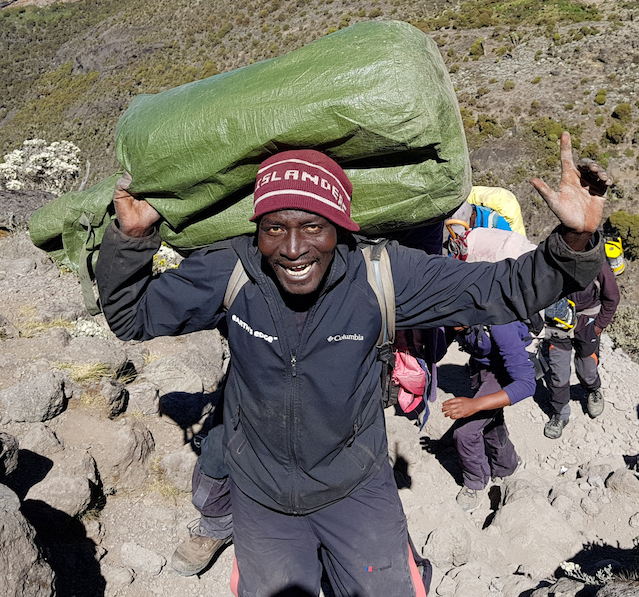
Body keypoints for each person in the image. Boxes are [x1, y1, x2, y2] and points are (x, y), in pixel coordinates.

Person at [95, 132, 609, 597]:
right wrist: (133, 237)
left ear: (340, 227)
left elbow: (502, 289)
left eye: (312, 227)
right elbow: (130, 315)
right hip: (262, 498)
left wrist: (574, 241)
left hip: (356, 489)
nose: (293, 249)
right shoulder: (233, 273)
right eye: (274, 228)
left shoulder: (382, 276)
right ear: (257, 230)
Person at [442, 321, 535, 512]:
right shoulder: (453, 318)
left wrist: (475, 404)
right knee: (491, 417)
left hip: (506, 367)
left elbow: (527, 385)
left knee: (465, 432)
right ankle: (508, 465)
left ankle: (475, 483)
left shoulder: (499, 323)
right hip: (482, 363)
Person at [543, 261, 620, 439]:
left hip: (588, 317)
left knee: (587, 366)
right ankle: (560, 413)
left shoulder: (596, 261)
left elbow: (612, 296)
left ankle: (593, 389)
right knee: (558, 370)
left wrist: (599, 325)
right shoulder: (550, 256)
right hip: (557, 317)